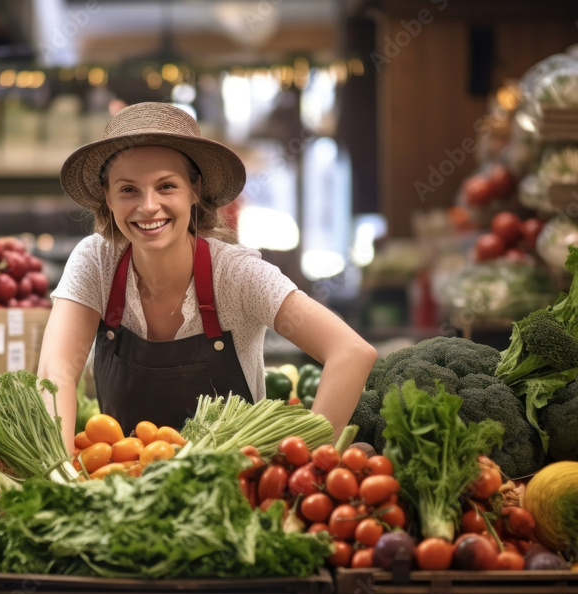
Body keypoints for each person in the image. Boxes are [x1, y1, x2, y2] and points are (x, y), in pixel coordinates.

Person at [38, 102, 377, 451]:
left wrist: (307, 466)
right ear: (107, 197)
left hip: (230, 493)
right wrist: (59, 472)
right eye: (128, 190)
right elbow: (55, 375)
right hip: (122, 487)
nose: (149, 205)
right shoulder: (96, 262)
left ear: (194, 190)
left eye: (166, 186)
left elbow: (350, 352)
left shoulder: (237, 274)